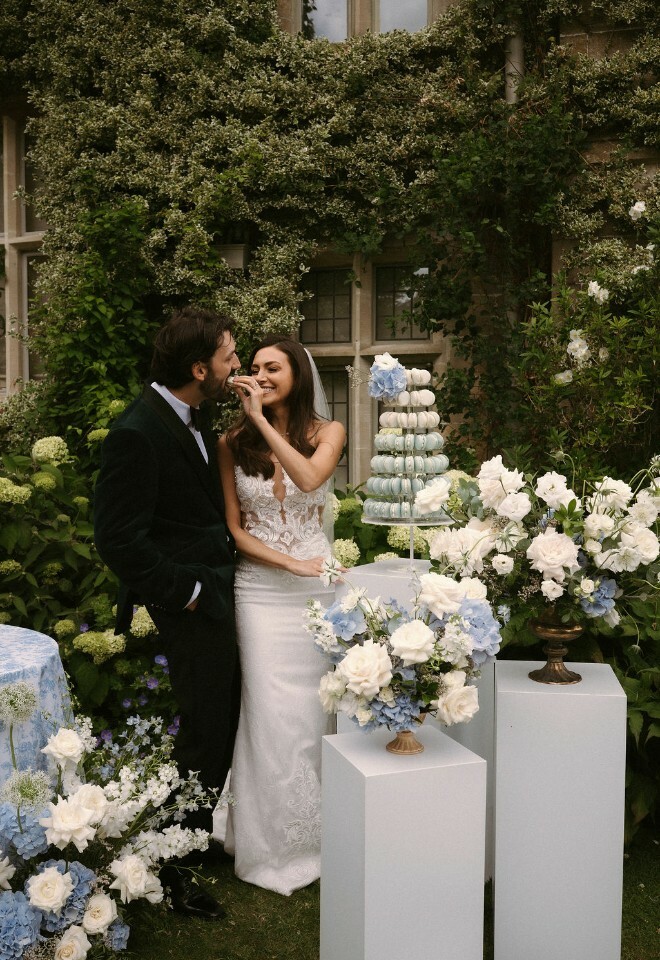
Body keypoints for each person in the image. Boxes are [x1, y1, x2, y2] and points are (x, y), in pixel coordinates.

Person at [94, 305, 242, 920]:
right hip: (191, 602)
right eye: (230, 356)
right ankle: (171, 866)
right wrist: (188, 594)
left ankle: (189, 838)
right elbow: (119, 540)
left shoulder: (193, 419)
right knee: (205, 723)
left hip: (216, 590)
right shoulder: (138, 431)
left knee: (214, 720)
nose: (236, 364)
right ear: (197, 367)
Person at [218, 335, 345, 895]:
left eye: (273, 367)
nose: (261, 376)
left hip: (321, 593)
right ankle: (270, 844)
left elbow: (311, 479)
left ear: (299, 373)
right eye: (253, 368)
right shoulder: (230, 442)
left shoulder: (328, 433)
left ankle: (326, 833)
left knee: (316, 713)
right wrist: (290, 563)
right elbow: (236, 529)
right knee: (270, 714)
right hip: (262, 592)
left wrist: (264, 422)